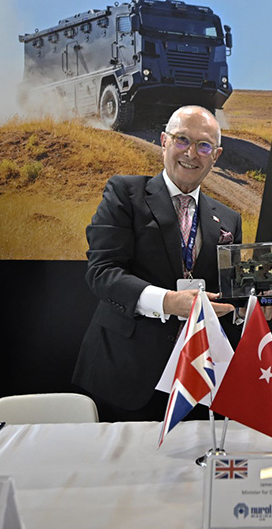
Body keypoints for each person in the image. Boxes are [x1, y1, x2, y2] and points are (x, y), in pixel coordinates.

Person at [73, 105, 240, 421]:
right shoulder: (125, 193)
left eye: (204, 145)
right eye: (182, 140)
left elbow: (228, 288)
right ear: (164, 141)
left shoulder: (228, 218)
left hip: (198, 378)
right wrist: (169, 302)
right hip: (127, 374)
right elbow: (102, 273)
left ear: (216, 156)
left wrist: (252, 305)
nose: (191, 153)